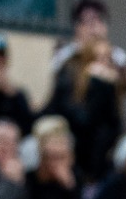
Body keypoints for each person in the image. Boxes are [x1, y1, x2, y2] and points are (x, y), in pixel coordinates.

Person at [46, 37, 122, 185]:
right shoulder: (69, 82)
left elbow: (113, 127)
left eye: (107, 59)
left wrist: (105, 87)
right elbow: (82, 121)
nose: (103, 64)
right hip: (73, 153)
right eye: (98, 58)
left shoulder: (110, 88)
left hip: (98, 162)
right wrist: (98, 84)